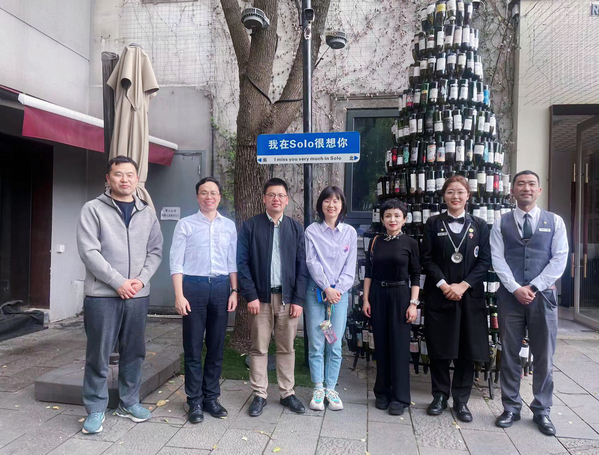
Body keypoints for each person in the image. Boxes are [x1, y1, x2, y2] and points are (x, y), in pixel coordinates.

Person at [77, 156, 163, 434]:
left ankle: (129, 402)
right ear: (108, 178)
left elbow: (155, 252)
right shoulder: (92, 209)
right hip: (102, 295)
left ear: (136, 179)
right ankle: (95, 408)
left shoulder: (147, 213)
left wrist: (140, 280)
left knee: (134, 352)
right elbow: (89, 252)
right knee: (98, 354)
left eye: (129, 174)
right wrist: (118, 282)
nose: (124, 179)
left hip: (137, 295)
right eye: (118, 174)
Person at [491, 170, 568, 436]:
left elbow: (559, 259)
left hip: (543, 298)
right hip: (510, 298)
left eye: (531, 184)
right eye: (521, 184)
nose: (526, 188)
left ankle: (542, 410)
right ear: (512, 190)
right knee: (510, 353)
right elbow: (497, 259)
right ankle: (511, 407)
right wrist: (515, 288)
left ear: (539, 190)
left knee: (544, 356)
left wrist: (533, 286)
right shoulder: (500, 223)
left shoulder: (555, 221)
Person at [421, 175, 491, 422]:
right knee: (439, 347)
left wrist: (463, 285)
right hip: (440, 295)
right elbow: (427, 258)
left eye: (460, 192)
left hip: (469, 296)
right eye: (450, 191)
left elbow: (485, 261)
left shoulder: (480, 225)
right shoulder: (433, 223)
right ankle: (439, 396)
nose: (455, 196)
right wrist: (444, 285)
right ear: (444, 195)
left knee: (466, 349)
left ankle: (461, 401)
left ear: (468, 196)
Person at [237, 178, 309, 416]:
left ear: (287, 200)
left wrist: (298, 299)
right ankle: (259, 394)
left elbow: (302, 267)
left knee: (287, 348)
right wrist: (251, 295)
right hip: (260, 299)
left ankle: (287, 393)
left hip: (288, 299)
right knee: (259, 348)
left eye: (280, 195)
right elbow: (242, 264)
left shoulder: (296, 228)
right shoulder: (250, 226)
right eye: (271, 195)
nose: (276, 199)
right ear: (264, 199)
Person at [170, 177, 238, 424]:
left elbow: (232, 261)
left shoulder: (229, 226)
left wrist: (234, 291)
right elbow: (176, 262)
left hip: (221, 288)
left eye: (213, 193)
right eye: (204, 192)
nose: (209, 197)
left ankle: (211, 397)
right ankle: (194, 400)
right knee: (193, 346)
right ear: (197, 196)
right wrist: (179, 295)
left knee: (216, 345)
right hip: (193, 287)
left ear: (219, 196)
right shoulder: (185, 225)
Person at [362, 198, 421, 416]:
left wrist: (413, 304)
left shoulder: (410, 243)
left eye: (397, 216)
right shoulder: (375, 241)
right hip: (378, 294)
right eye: (388, 216)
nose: (392, 219)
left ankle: (400, 397)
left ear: (404, 219)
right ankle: (382, 392)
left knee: (399, 346)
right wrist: (366, 299)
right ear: (382, 219)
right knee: (381, 344)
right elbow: (369, 272)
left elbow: (416, 275)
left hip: (400, 295)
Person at [304, 186, 357, 411]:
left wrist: (337, 290)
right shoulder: (312, 231)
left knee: (335, 343)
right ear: (321, 205)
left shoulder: (350, 233)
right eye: (327, 200)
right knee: (317, 342)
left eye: (336, 201)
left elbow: (350, 267)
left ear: (342, 205)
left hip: (339, 296)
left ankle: (331, 388)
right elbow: (312, 262)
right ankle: (318, 387)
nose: (331, 205)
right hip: (316, 292)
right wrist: (326, 287)